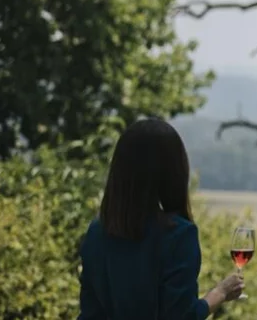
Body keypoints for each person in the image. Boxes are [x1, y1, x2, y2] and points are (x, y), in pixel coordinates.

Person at [79, 118, 243, 319]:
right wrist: (220, 293)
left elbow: (89, 313)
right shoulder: (179, 235)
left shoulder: (96, 233)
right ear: (174, 171)